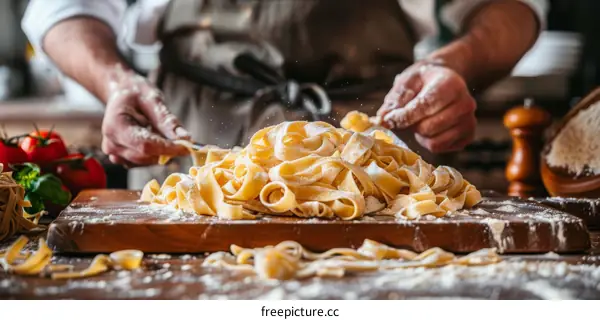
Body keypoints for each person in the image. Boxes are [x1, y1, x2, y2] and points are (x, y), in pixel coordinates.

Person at [22, 0, 547, 189]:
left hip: (375, 159)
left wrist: (448, 65)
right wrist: (117, 82)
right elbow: (63, 8)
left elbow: (511, 8)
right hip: (188, 156)